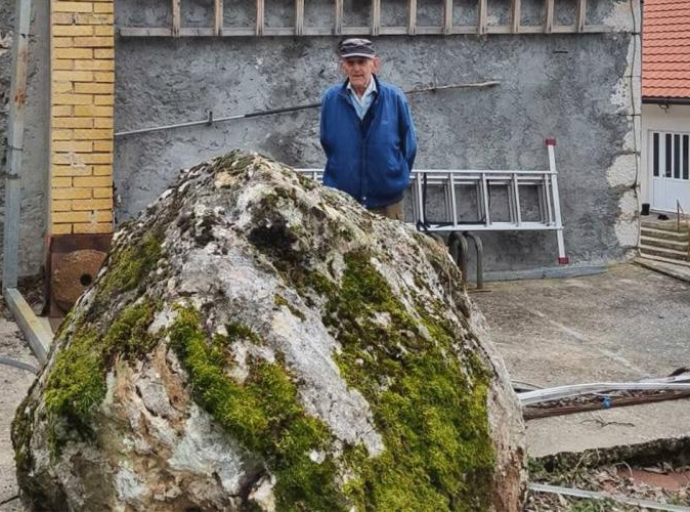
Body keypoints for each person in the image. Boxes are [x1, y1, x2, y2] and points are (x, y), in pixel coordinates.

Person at [319, 38, 417, 221]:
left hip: (388, 204)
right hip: (343, 203)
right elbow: (327, 142)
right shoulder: (331, 99)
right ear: (343, 67)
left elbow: (409, 146)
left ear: (375, 64)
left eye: (362, 62)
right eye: (351, 62)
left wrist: (393, 175)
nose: (356, 68)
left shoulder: (394, 98)